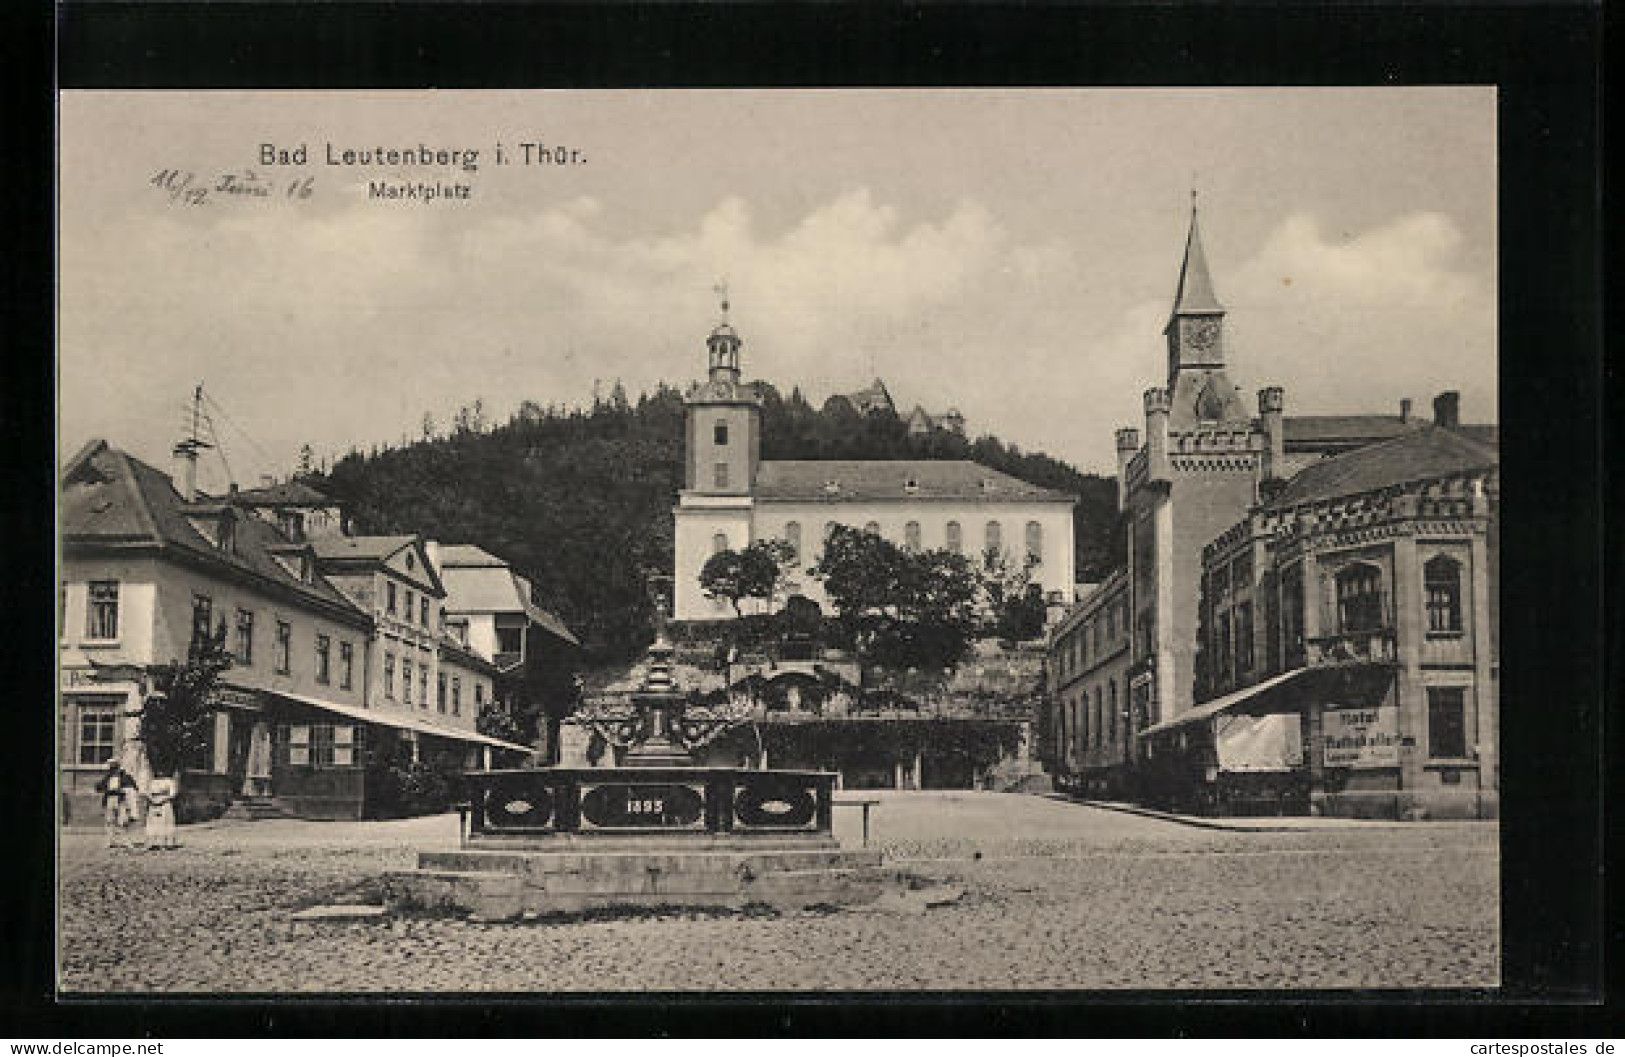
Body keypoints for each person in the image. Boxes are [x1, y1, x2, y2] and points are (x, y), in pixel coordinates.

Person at [94, 759, 134, 848]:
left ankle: (126, 841)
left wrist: (122, 791)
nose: (111, 769)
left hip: (121, 800)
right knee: (109, 821)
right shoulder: (108, 777)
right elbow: (98, 787)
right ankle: (110, 841)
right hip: (110, 799)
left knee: (122, 821)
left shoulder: (125, 777)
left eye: (113, 766)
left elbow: (131, 788)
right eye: (110, 767)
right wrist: (104, 788)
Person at [144, 774, 177, 850]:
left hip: (165, 803)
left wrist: (163, 799)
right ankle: (153, 843)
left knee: (164, 822)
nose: (160, 773)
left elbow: (172, 794)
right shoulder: (152, 782)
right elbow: (147, 792)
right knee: (153, 822)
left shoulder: (169, 781)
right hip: (153, 803)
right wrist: (151, 799)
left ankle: (165, 843)